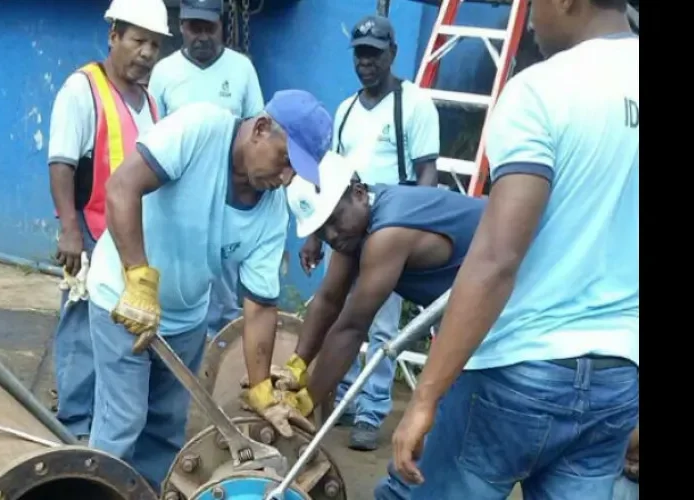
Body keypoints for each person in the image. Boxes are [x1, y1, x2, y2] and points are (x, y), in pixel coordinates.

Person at [384, 1, 639, 499]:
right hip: (616, 378)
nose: (530, 18)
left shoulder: (543, 89)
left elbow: (497, 259)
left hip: (519, 370)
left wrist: (425, 397)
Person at [83, 89, 333, 491]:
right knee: (122, 422)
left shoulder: (271, 211)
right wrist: (138, 280)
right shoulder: (200, 128)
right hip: (122, 299)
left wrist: (262, 390)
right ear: (262, 129)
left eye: (296, 172)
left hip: (185, 318)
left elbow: (260, 306)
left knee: (165, 433)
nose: (286, 178)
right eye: (285, 160)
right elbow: (121, 188)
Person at [263, 147, 484, 439]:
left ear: (357, 192)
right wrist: (296, 368)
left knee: (455, 432)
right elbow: (329, 300)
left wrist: (303, 402)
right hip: (471, 305)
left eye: (333, 220)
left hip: (513, 296)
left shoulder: (387, 233)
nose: (330, 236)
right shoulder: (354, 229)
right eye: (321, 230)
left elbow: (352, 328)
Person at [297, 13, 441, 451]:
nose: (366, 63)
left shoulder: (414, 105)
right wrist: (315, 235)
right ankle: (340, 397)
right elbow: (329, 179)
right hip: (346, 228)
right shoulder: (344, 110)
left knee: (380, 328)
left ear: (392, 54)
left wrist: (414, 229)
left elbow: (426, 174)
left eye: (375, 55)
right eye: (360, 54)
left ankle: (371, 410)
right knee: (339, 314)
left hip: (392, 230)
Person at [46, 0, 169, 440]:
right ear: (113, 35)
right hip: (93, 232)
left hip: (130, 235)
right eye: (138, 40)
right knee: (81, 328)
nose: (147, 53)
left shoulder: (151, 101)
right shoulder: (82, 89)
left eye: (155, 44)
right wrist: (69, 229)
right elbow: (61, 162)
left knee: (117, 334)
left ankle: (102, 421)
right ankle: (76, 428)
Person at [149, 0, 267, 338]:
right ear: (182, 26)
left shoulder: (241, 69)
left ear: (222, 26)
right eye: (193, 27)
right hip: (176, 201)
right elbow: (152, 137)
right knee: (176, 287)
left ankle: (216, 378)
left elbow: (258, 128)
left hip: (227, 201)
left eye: (209, 28)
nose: (201, 36)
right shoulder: (165, 73)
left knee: (225, 299)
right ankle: (176, 361)